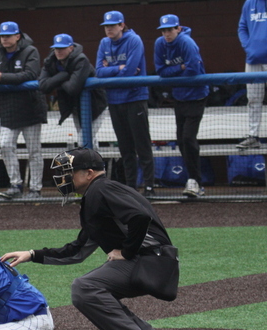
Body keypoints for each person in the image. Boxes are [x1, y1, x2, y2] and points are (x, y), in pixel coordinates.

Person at [0, 148, 174, 330]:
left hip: (152, 262)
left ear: (89, 173)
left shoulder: (101, 190)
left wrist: (127, 252)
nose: (64, 178)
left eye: (69, 172)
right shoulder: (98, 195)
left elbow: (140, 217)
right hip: (154, 262)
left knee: (85, 288)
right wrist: (32, 255)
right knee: (92, 285)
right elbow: (77, 250)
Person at [95, 11, 155, 197]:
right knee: (125, 147)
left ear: (122, 25)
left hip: (135, 98)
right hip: (114, 100)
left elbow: (130, 71)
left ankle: (150, 187)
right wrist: (118, 69)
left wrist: (111, 70)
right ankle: (131, 187)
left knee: (142, 145)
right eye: (106, 26)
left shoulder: (134, 40)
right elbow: (98, 71)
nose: (109, 29)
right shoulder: (104, 43)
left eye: (112, 25)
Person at [0, 22, 48, 200]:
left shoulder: (30, 51)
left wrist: (2, 77)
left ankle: (36, 189)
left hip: (30, 108)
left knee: (34, 150)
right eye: (2, 36)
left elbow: (30, 75)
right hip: (8, 108)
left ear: (17, 36)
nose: (4, 38)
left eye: (8, 35)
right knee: (5, 145)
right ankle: (16, 184)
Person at [153, 14, 210, 198]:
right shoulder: (160, 44)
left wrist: (177, 72)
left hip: (196, 95)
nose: (167, 34)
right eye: (164, 30)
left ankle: (195, 181)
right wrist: (180, 68)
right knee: (181, 140)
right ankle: (193, 180)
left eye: (170, 30)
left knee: (187, 138)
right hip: (179, 96)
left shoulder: (186, 42)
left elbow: (193, 68)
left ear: (178, 28)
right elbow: (160, 70)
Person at [39, 34, 107, 151]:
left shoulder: (81, 60)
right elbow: (43, 86)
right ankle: (96, 167)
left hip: (95, 107)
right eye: (56, 48)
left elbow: (73, 88)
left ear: (71, 48)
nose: (59, 51)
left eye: (62, 48)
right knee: (88, 142)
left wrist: (56, 80)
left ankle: (92, 167)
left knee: (83, 141)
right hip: (76, 108)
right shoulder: (51, 61)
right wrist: (63, 76)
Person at [236, 0, 267, 150]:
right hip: (253, 59)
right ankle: (253, 135)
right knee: (254, 99)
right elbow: (242, 28)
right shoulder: (249, 3)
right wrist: (249, 47)